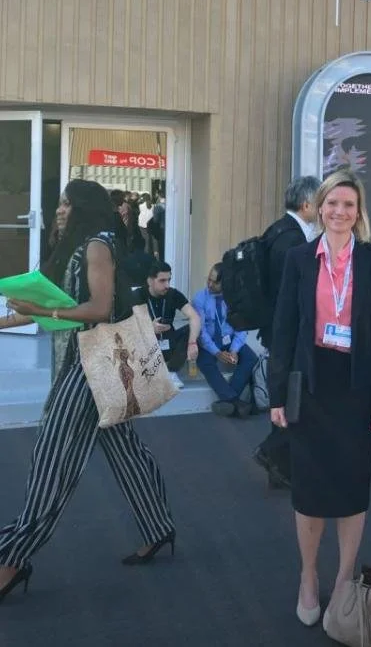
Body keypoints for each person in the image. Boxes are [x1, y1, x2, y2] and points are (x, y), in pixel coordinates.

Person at [0, 179, 176, 603]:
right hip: (94, 364)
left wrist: (40, 310)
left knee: (52, 457)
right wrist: (9, 321)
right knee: (123, 448)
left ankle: (12, 557)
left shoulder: (96, 246)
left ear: (82, 206)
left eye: (65, 203)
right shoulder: (84, 246)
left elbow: (96, 310)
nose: (59, 210)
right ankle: (158, 526)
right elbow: (68, 309)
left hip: (89, 366)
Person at [268, 170, 371, 629]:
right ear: (319, 208)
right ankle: (307, 576)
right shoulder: (300, 258)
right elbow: (283, 328)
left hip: (357, 386)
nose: (340, 212)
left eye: (349, 205)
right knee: (310, 490)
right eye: (332, 204)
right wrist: (277, 390)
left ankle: (343, 578)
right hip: (311, 381)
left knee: (352, 487)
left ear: (359, 212)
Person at [252, 175, 321, 488]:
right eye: (321, 203)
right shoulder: (292, 240)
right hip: (287, 331)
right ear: (307, 205)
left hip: (277, 328)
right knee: (295, 396)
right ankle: (273, 452)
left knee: (291, 394)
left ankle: (280, 466)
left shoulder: (278, 230)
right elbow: (291, 292)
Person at [193, 263, 257, 418]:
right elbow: (201, 332)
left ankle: (228, 401)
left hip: (230, 340)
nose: (209, 284)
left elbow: (241, 327)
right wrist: (216, 352)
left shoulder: (236, 299)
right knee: (205, 361)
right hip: (209, 341)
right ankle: (235, 402)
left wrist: (234, 350)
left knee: (250, 358)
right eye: (209, 279)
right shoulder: (199, 298)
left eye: (215, 282)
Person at [132, 261, 201, 391]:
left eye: (169, 280)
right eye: (162, 281)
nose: (167, 285)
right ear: (150, 281)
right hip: (148, 346)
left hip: (169, 343)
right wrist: (149, 328)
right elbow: (129, 326)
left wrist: (192, 343)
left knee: (193, 329)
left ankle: (171, 372)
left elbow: (194, 317)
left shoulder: (173, 294)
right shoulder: (138, 295)